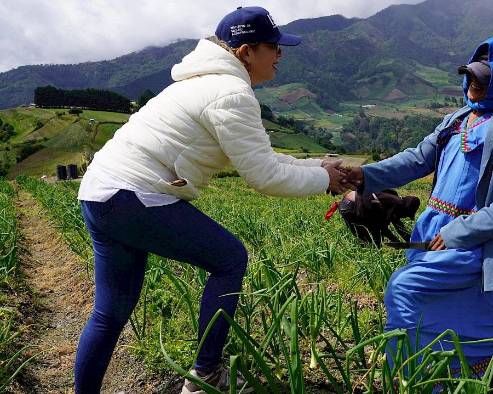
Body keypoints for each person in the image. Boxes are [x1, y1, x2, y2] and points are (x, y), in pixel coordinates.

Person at [74, 6, 350, 394]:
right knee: (229, 259)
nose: (280, 55)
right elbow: (265, 176)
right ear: (245, 53)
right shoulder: (231, 94)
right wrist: (325, 180)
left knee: (110, 312)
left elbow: (263, 158)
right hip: (134, 195)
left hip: (101, 194)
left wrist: (320, 165)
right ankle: (205, 377)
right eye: (273, 47)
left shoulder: (202, 82)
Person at [345, 37, 493, 391]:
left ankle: (413, 380)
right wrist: (366, 175)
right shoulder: (459, 119)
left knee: (403, 290)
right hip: (432, 229)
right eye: (470, 75)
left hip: (471, 238)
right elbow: (418, 158)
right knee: (472, 312)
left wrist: (460, 232)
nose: (473, 84)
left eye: (483, 79)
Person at [338, 189, 420, 247]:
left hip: (356, 204)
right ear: (405, 210)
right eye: (407, 215)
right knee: (371, 242)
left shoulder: (396, 203)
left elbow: (399, 227)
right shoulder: (392, 204)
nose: (405, 217)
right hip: (351, 207)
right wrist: (396, 241)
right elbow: (382, 227)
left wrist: (413, 243)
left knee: (375, 239)